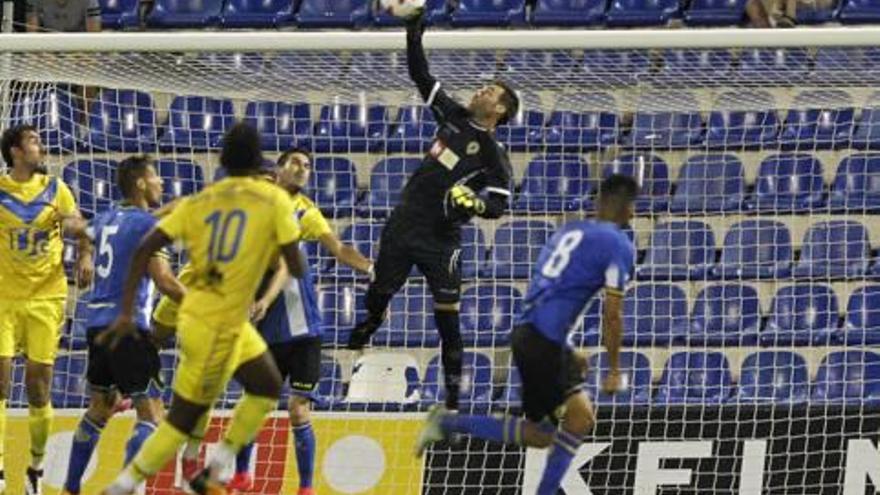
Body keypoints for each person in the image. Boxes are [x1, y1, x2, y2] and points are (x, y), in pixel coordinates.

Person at [99, 122, 306, 495]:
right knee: (181, 419)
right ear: (260, 164)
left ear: (224, 161)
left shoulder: (200, 200)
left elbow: (145, 246)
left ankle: (212, 472)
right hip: (213, 325)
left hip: (218, 319)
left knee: (268, 385)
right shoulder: (273, 201)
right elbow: (298, 265)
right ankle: (121, 487)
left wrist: (128, 310)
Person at [415, 175, 639, 495]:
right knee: (578, 420)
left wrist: (567, 347)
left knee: (544, 433)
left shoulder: (568, 232)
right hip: (544, 341)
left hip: (527, 334)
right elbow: (612, 315)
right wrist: (615, 368)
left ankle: (449, 423)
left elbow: (548, 293)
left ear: (597, 201)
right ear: (629, 209)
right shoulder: (619, 244)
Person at [347, 11, 520, 412]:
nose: (481, 90)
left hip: (442, 241)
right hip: (404, 224)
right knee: (380, 292)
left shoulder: (494, 156)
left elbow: (499, 203)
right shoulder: (453, 115)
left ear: (499, 112)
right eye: (484, 86)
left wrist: (475, 204)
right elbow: (420, 74)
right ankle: (371, 322)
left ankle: (454, 402)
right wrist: (414, 28)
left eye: (490, 90)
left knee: (448, 321)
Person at [221, 148, 374, 494]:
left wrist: (372, 269)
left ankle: (305, 487)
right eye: (296, 163)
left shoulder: (306, 212)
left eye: (308, 166)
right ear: (278, 170)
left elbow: (337, 249)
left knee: (298, 409)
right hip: (263, 332)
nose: (303, 169)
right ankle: (243, 475)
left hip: (305, 330)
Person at [61, 155, 186, 495]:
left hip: (96, 326)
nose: (162, 183)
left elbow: (77, 229)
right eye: (156, 177)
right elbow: (165, 283)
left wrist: (78, 239)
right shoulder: (147, 226)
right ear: (141, 184)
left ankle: (69, 489)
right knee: (152, 415)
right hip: (129, 328)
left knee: (99, 409)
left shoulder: (105, 219)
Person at [0, 124, 93, 495]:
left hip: (47, 297)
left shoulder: (57, 189)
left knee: (38, 387)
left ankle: (36, 467)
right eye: (34, 141)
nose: (41, 146)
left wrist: (84, 253)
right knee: (1, 382)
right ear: (16, 152)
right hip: (3, 297)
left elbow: (78, 227)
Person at [25, 0, 101, 32]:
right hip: (47, 44)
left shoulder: (90, 1)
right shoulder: (33, 1)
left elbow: (94, 34)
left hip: (78, 45)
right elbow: (32, 33)